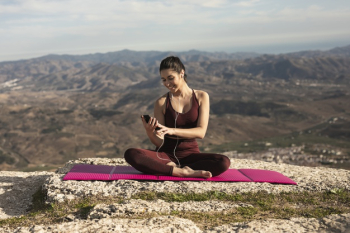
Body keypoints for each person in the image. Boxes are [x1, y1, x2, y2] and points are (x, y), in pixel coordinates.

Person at [124, 56, 230, 178]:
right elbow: (160, 142)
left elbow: (201, 132)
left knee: (223, 161)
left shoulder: (201, 96)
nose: (167, 83)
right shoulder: (161, 102)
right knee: (131, 153)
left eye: (170, 78)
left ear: (181, 73)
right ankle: (180, 172)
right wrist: (150, 133)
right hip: (165, 156)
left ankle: (174, 169)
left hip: (191, 156)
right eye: (163, 80)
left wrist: (172, 130)